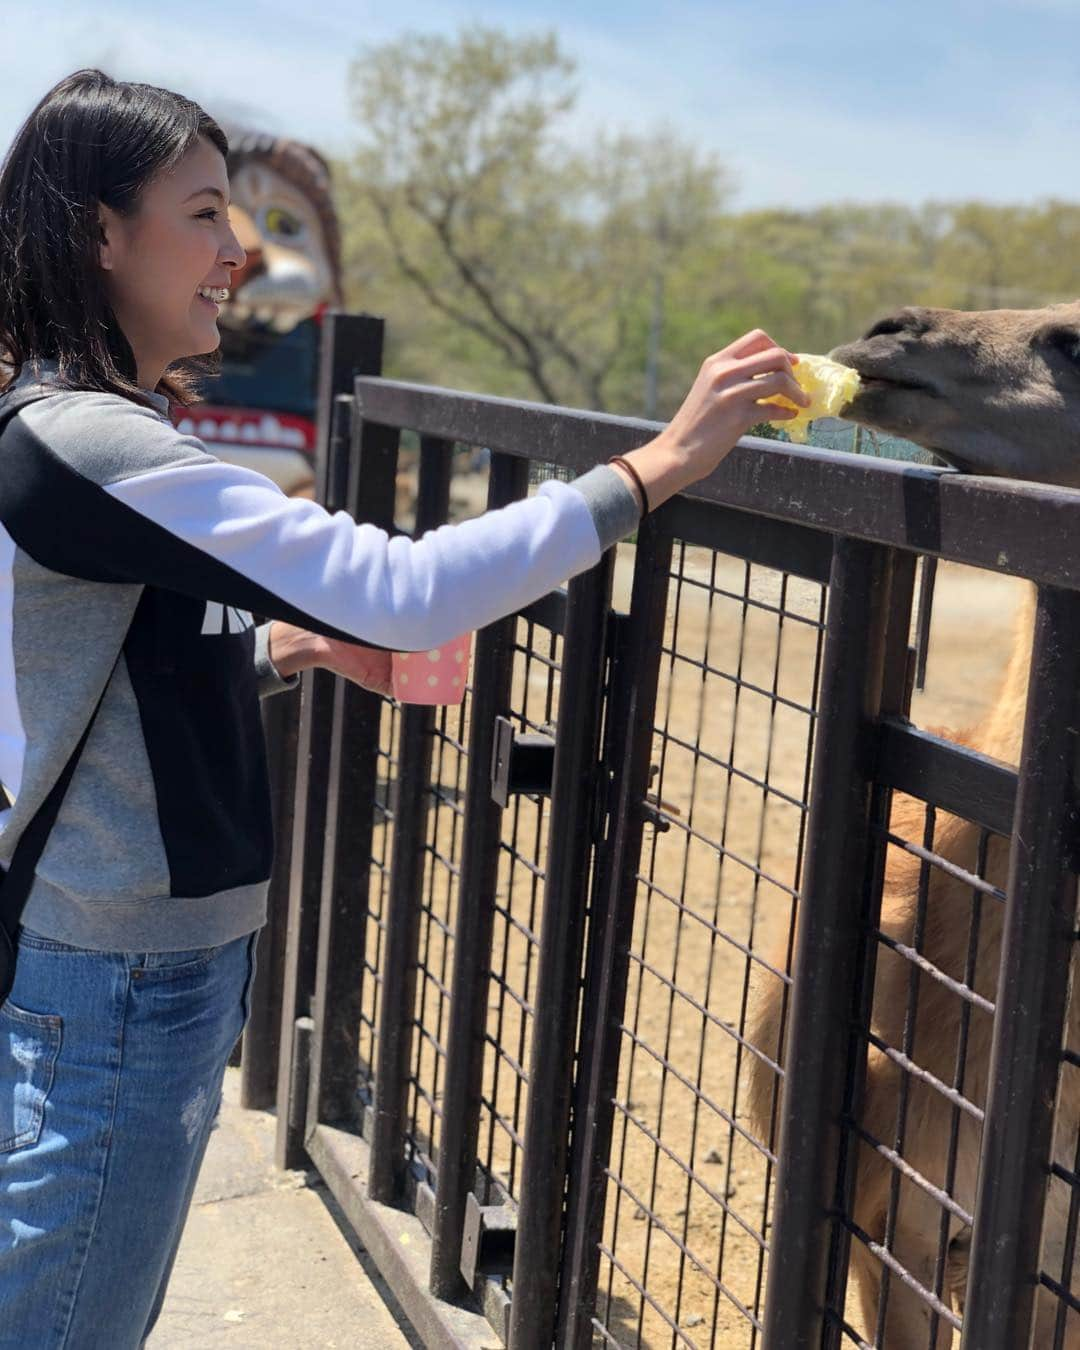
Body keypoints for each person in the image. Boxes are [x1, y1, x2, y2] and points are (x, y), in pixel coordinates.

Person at [0, 68, 808, 1349]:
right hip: (125, 978)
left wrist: (286, 650)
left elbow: (77, 679)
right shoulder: (88, 442)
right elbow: (410, 589)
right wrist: (652, 471)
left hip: (145, 960)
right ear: (100, 230)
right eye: (205, 213)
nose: (240, 251)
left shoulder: (91, 434)